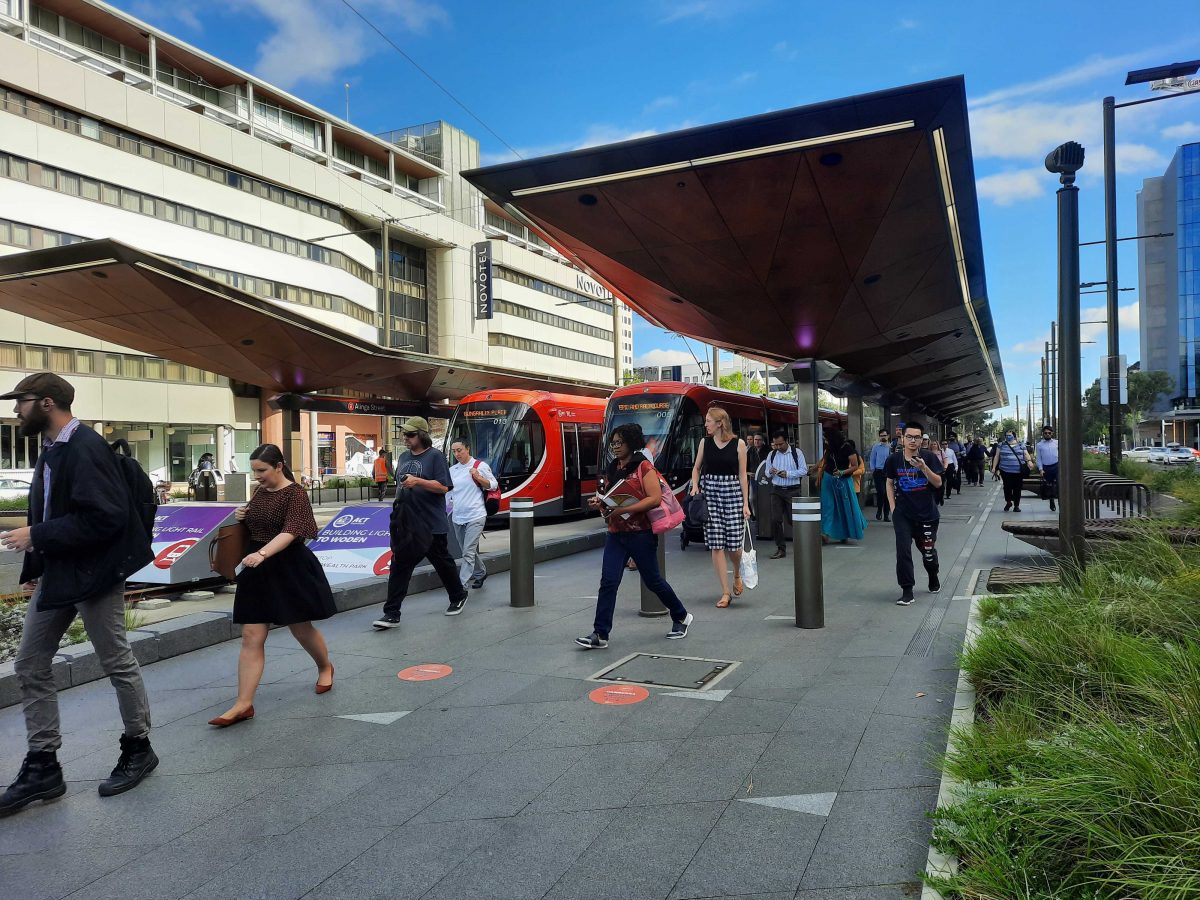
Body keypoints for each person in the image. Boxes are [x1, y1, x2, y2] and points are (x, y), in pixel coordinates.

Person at [0, 373, 156, 817]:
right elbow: (54, 509)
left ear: (47, 403)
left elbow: (106, 517)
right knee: (30, 663)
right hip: (60, 572)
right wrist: (38, 558)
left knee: (116, 660)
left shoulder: (84, 447)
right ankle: (44, 766)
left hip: (95, 574)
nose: (16, 410)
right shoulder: (54, 448)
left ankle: (138, 747)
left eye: (22, 402)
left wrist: (37, 535)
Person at [208, 443, 336, 728]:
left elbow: (292, 531)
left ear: (279, 466)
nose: (257, 476)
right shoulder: (259, 492)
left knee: (301, 627)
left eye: (262, 470)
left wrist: (262, 553)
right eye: (254, 471)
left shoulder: (296, 493)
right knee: (251, 635)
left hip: (287, 565)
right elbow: (258, 521)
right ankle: (243, 704)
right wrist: (243, 515)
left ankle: (325, 666)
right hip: (256, 568)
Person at [575, 423, 692, 649]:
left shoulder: (644, 467)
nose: (616, 447)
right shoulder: (614, 467)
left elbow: (655, 498)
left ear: (632, 442)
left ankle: (681, 616)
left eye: (620, 443)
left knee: (653, 581)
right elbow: (613, 496)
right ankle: (600, 634)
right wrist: (601, 502)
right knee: (608, 582)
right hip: (616, 534)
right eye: (613, 443)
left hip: (641, 534)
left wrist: (623, 509)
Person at [373, 416, 468, 628]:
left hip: (431, 523)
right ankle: (392, 613)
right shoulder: (405, 457)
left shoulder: (435, 457)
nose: (405, 438)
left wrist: (418, 481)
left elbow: (444, 487)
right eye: (404, 434)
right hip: (408, 524)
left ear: (422, 436)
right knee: (399, 566)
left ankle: (458, 594)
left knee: (443, 564)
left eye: (410, 434)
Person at [689, 406, 749, 608]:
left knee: (735, 546)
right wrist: (696, 485)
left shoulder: (738, 444)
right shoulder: (704, 443)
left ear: (719, 423)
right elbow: (696, 468)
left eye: (708, 421)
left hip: (733, 493)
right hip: (711, 493)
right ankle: (725, 592)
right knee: (716, 544)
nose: (705, 424)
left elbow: (743, 476)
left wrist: (746, 504)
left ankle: (737, 573)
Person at [884, 420, 945, 606]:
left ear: (921, 440)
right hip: (903, 513)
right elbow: (888, 482)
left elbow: (938, 483)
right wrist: (893, 508)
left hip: (927, 514)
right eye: (909, 436)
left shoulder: (929, 457)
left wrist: (923, 468)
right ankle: (907, 590)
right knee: (903, 550)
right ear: (902, 438)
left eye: (916, 437)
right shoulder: (894, 459)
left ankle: (933, 575)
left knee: (928, 552)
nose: (912, 440)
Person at [448, 439, 496, 590]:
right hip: (457, 517)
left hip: (476, 515)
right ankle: (480, 573)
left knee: (467, 552)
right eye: (454, 451)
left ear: (467, 449)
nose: (457, 454)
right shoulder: (452, 470)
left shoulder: (480, 466)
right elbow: (448, 492)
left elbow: (493, 485)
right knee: (467, 550)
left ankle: (460, 585)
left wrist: (478, 477)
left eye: (459, 450)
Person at [816, 429, 867, 543]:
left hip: (843, 480)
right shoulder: (829, 448)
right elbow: (823, 461)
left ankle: (845, 533)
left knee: (844, 507)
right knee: (828, 506)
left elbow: (855, 466)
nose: (825, 441)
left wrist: (842, 472)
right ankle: (825, 533)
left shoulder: (847, 448)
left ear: (833, 439)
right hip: (828, 479)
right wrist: (814, 470)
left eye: (826, 439)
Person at [764, 430, 808, 559]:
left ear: (787, 441)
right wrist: (770, 471)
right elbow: (766, 472)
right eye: (775, 444)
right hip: (776, 489)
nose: (778, 447)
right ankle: (780, 548)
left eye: (780, 444)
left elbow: (804, 470)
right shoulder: (772, 454)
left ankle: (806, 543)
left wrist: (787, 474)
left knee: (793, 519)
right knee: (775, 519)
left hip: (792, 489)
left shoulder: (796, 453)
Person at [992, 430, 1031, 512]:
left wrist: (1029, 461)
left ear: (1014, 436)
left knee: (1017, 488)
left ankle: (1016, 505)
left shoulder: (1020, 444)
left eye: (1009, 435)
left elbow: (1026, 454)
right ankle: (1009, 502)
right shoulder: (1001, 445)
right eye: (1006, 435)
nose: (1008, 437)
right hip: (1005, 470)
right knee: (1007, 487)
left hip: (1018, 471)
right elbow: (997, 456)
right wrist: (994, 467)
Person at [868, 429, 892, 521]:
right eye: (881, 435)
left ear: (888, 436)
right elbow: (872, 459)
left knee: (887, 494)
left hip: (888, 472)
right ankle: (879, 510)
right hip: (878, 472)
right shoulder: (876, 447)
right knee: (881, 492)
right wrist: (873, 469)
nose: (883, 437)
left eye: (884, 435)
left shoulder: (890, 447)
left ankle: (886, 515)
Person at [1035, 425, 1059, 512]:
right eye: (1045, 433)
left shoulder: (1057, 442)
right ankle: (1051, 500)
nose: (1047, 434)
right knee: (1049, 486)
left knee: (1060, 484)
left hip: (1057, 466)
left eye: (1049, 433)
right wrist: (1041, 469)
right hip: (1046, 467)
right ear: (1043, 434)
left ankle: (1061, 502)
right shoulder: (1039, 445)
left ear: (1052, 433)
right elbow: (1038, 458)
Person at [928, 440, 948, 507]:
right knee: (933, 488)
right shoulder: (928, 453)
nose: (933, 445)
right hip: (931, 473)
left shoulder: (941, 452)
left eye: (935, 444)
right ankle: (935, 501)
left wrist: (944, 468)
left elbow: (945, 461)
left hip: (940, 472)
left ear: (937, 445)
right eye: (932, 444)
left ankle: (940, 498)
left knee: (941, 488)